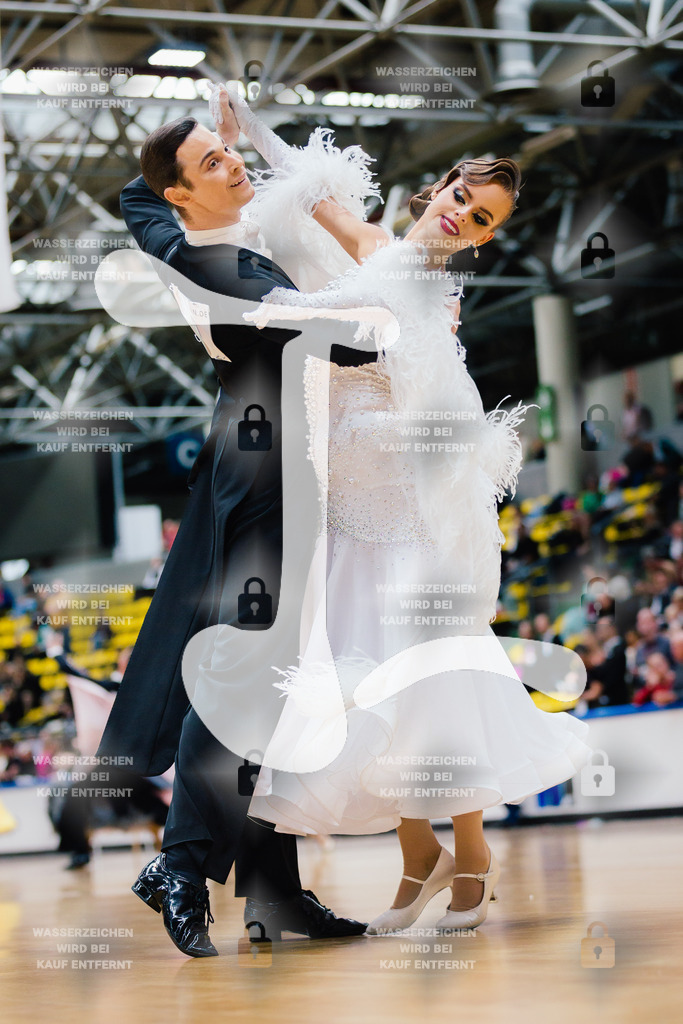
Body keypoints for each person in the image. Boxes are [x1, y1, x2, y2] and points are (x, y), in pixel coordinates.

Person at [210, 85, 593, 934]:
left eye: (482, 221)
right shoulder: (380, 248)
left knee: (430, 687)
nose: (463, 217)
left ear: (486, 239)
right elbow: (310, 189)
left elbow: (391, 378)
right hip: (349, 517)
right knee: (371, 696)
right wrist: (247, 134)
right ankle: (418, 855)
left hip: (401, 522)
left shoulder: (428, 293)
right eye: (462, 196)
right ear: (443, 185)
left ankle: (472, 856)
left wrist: (272, 311)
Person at [96, 111, 369, 956]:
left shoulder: (184, 231)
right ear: (185, 194)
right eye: (211, 164)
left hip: (270, 462)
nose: (231, 167)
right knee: (249, 668)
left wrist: (221, 139)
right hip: (264, 472)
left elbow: (131, 196)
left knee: (270, 680)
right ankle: (178, 865)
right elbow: (342, 341)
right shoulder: (216, 265)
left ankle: (272, 891)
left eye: (225, 157)